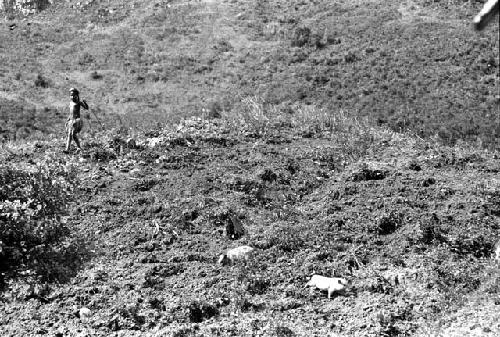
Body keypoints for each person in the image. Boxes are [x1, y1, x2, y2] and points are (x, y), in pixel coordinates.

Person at [65, 88, 89, 153]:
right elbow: (70, 113)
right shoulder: (70, 103)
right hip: (71, 120)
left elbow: (86, 108)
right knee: (69, 134)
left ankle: (79, 147)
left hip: (77, 120)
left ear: (76, 95)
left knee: (73, 134)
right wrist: (67, 120)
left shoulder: (78, 102)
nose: (72, 97)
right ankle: (67, 149)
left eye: (73, 95)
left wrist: (85, 102)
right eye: (71, 95)